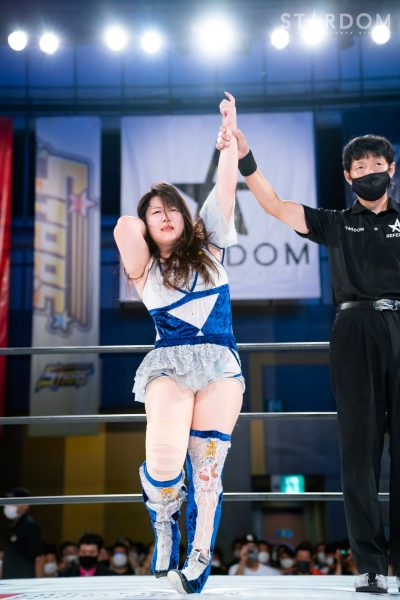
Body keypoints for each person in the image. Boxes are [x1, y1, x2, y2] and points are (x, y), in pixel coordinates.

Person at [217, 127, 398, 594]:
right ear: (347, 176)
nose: (370, 172)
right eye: (360, 167)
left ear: (392, 169)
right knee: (358, 451)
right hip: (354, 330)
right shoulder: (335, 223)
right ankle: (371, 565)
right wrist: (245, 156)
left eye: (377, 165)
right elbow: (274, 205)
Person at [114, 92, 244, 595]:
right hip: (167, 365)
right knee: (165, 458)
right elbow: (124, 226)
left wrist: (228, 139)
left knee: (207, 469)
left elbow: (225, 188)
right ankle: (164, 523)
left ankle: (199, 554)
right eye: (156, 212)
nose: (165, 215)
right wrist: (147, 210)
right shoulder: (143, 269)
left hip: (219, 365)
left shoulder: (211, 245)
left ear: (187, 217)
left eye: (173, 208)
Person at [1, 486, 45, 579]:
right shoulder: (13, 527)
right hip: (10, 580)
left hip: (24, 581)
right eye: (8, 502)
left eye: (13, 502)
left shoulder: (29, 526)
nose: (8, 506)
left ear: (25, 505)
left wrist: (39, 583)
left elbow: (39, 558)